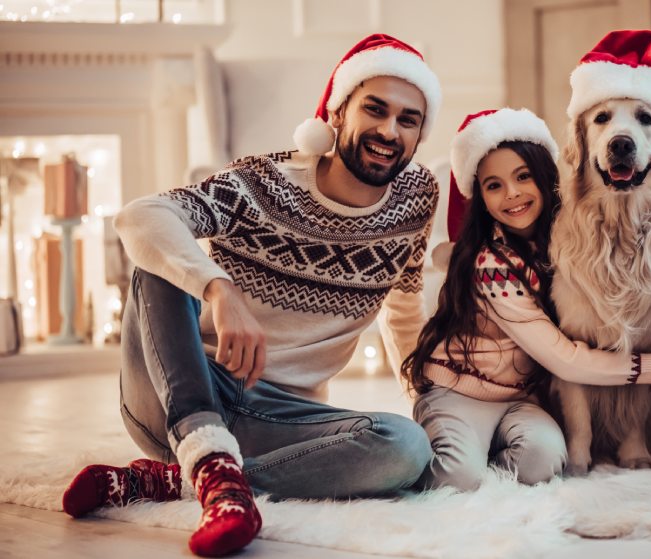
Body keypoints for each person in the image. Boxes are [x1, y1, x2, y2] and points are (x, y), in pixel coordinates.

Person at [61, 34, 442, 556]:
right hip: (180, 394)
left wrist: (430, 404)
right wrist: (217, 288)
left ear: (419, 134)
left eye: (407, 119)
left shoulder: (416, 200)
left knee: (406, 447)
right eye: (374, 109)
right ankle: (204, 450)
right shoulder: (262, 183)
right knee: (158, 263)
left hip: (282, 420)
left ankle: (191, 479)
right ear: (337, 114)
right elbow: (140, 215)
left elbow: (403, 308)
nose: (389, 131)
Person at [401, 108, 651, 492]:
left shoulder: (561, 241)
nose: (512, 193)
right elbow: (562, 357)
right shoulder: (490, 266)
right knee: (456, 477)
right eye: (494, 186)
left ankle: (484, 455)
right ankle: (449, 449)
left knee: (542, 462)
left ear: (545, 178)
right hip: (460, 393)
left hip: (521, 399)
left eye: (523, 177)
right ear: (481, 199)